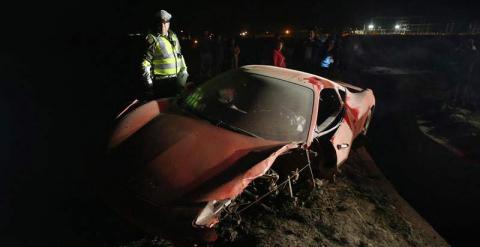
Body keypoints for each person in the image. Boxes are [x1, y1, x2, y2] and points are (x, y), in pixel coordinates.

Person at [141, 10, 188, 99]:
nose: (162, 26)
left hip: (176, 82)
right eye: (160, 23)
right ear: (156, 24)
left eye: (165, 23)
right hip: (161, 84)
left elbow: (180, 56)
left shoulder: (173, 36)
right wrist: (149, 85)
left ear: (169, 24)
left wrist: (184, 75)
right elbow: (145, 64)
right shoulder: (152, 39)